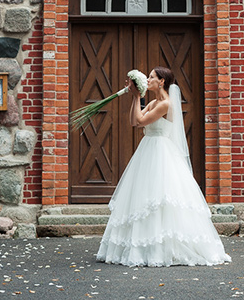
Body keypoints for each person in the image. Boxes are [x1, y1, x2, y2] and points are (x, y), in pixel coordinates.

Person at [96, 66, 231, 267]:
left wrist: (136, 96)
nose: (148, 80)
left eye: (151, 77)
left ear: (161, 82)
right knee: (144, 196)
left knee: (162, 197)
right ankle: (143, 246)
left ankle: (163, 248)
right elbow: (134, 121)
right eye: (148, 77)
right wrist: (136, 98)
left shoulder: (165, 104)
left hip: (161, 151)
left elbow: (141, 121)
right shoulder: (153, 102)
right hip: (148, 149)